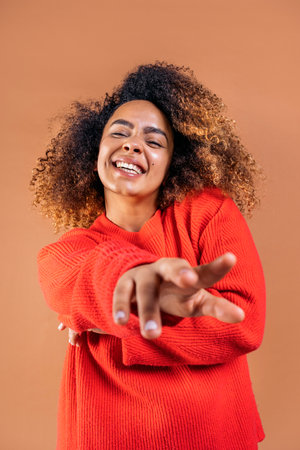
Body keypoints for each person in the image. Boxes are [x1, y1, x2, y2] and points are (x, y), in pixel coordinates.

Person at [30, 61, 266, 449]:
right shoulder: (72, 248)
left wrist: (118, 323)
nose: (133, 144)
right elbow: (80, 277)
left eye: (154, 141)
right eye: (119, 133)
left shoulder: (210, 212)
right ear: (94, 153)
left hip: (213, 437)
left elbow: (244, 325)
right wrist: (133, 285)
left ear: (173, 165)